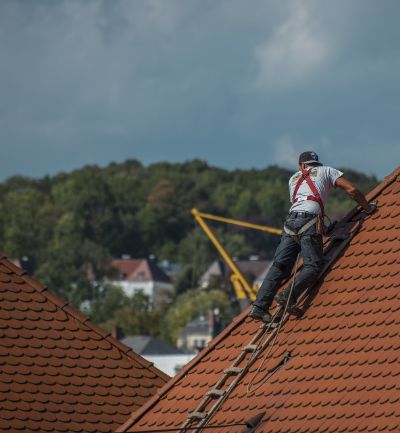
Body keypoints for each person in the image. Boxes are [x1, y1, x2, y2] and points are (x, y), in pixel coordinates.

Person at [248, 151, 377, 323]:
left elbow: (302, 204)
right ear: (316, 164)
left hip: (290, 223)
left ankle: (259, 307)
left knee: (279, 266)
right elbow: (351, 190)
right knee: (313, 266)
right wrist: (368, 208)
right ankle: (288, 295)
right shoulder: (326, 171)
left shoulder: (293, 179)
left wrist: (322, 230)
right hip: (309, 221)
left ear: (302, 165)